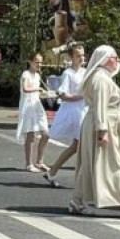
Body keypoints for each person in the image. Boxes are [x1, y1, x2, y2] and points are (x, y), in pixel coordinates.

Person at [69, 45, 120, 220]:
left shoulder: (100, 77)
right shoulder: (101, 79)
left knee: (93, 164)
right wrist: (102, 130)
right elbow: (100, 106)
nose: (117, 60)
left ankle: (78, 200)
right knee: (114, 165)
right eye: (115, 57)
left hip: (102, 124)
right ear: (105, 60)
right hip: (104, 126)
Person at [44, 44, 87, 187]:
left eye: (82, 55)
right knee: (80, 145)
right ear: (71, 57)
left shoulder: (85, 72)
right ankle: (81, 180)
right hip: (75, 112)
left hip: (83, 110)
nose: (81, 58)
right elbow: (62, 94)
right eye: (78, 55)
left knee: (77, 146)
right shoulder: (68, 73)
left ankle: (53, 171)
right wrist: (79, 96)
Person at [16, 53, 50, 172]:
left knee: (46, 133)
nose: (39, 64)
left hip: (36, 104)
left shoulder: (37, 75)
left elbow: (36, 92)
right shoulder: (26, 74)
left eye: (40, 62)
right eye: (36, 62)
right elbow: (25, 88)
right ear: (30, 62)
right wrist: (38, 89)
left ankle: (39, 161)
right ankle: (28, 164)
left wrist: (43, 94)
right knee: (30, 136)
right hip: (28, 106)